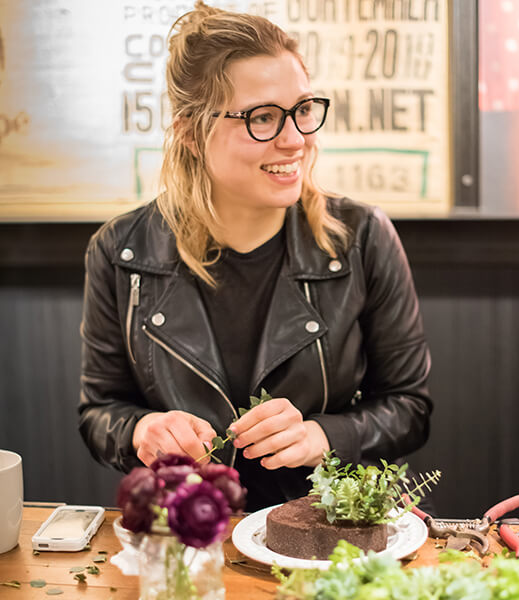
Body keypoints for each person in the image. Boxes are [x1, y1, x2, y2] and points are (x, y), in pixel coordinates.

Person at [78, 1, 433, 512]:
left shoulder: (361, 237)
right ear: (189, 133)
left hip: (330, 531)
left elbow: (410, 408)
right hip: (188, 538)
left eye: (304, 110)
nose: (295, 139)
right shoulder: (121, 250)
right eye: (262, 117)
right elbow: (99, 411)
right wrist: (141, 430)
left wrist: (322, 437)